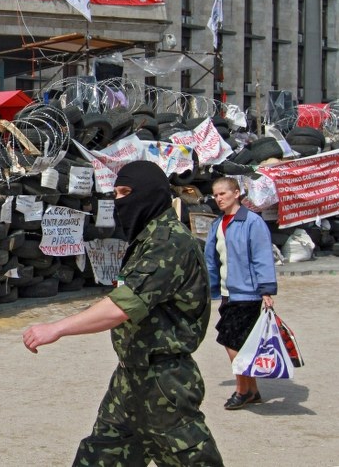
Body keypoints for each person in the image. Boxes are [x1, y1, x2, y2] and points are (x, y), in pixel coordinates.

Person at [22, 161, 223, 465]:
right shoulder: (146, 239)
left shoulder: (168, 242)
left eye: (126, 192)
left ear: (151, 194)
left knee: (189, 458)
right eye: (115, 193)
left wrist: (57, 328)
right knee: (102, 454)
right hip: (131, 375)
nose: (119, 201)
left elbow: (121, 306)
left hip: (163, 380)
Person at [204, 176, 277, 410]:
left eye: (223, 194)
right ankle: (252, 390)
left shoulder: (252, 222)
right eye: (215, 195)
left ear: (237, 193)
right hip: (227, 292)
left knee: (231, 340)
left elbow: (262, 256)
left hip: (248, 293)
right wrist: (210, 286)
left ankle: (242, 390)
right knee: (240, 342)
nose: (218, 199)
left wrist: (266, 290)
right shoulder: (218, 224)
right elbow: (212, 259)